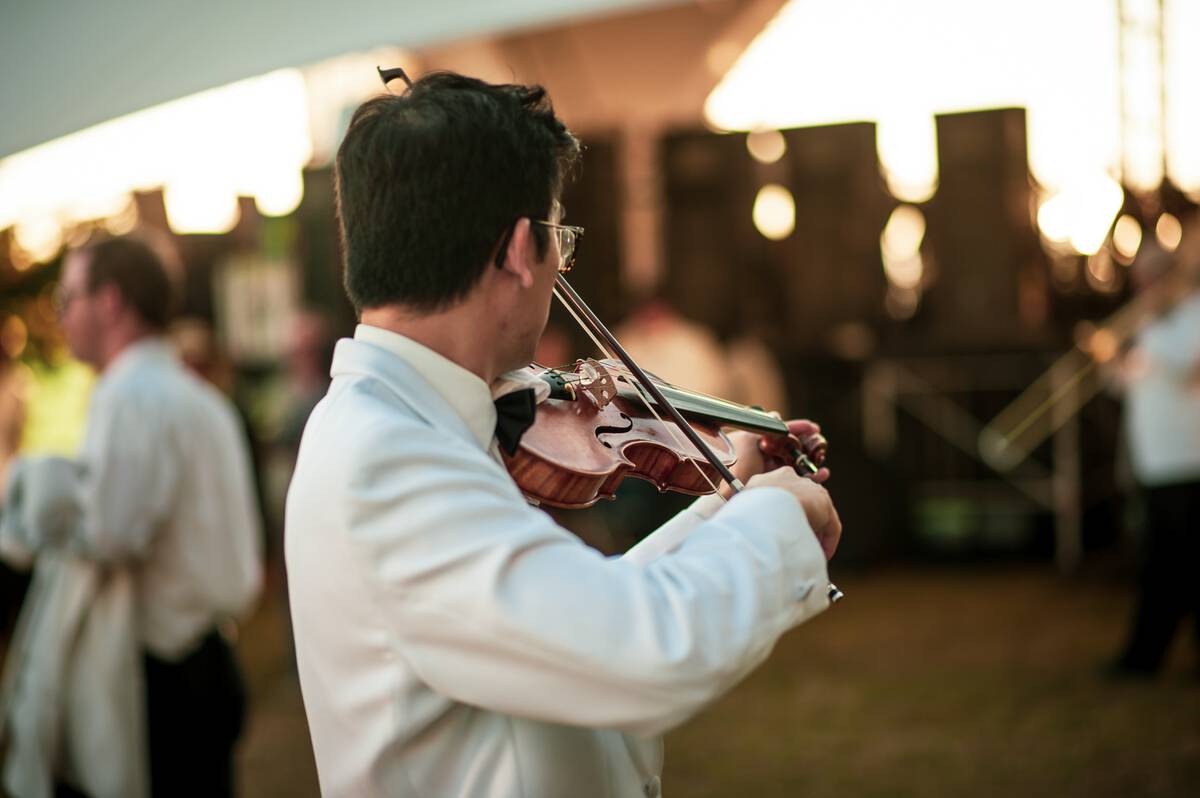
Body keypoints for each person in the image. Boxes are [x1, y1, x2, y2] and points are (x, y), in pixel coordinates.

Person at [285, 71, 843, 798]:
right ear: (521, 249)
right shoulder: (389, 460)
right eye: (560, 239)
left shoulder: (409, 424)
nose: (558, 267)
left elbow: (572, 615)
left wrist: (731, 507)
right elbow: (637, 652)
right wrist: (781, 516)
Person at [2, 236, 263, 795]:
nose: (62, 315)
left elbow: (110, 534)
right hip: (210, 658)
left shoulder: (129, 396)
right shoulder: (199, 397)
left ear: (111, 301)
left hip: (168, 679)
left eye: (67, 298)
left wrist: (41, 497)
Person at [1111, 239, 1200, 677]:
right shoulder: (1150, 323)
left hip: (1189, 461)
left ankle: (1144, 657)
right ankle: (1145, 656)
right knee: (1165, 562)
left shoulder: (1191, 315)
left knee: (1172, 565)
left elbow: (1189, 366)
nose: (1143, 290)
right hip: (1157, 462)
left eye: (1148, 281)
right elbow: (1128, 381)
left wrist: (1142, 336)